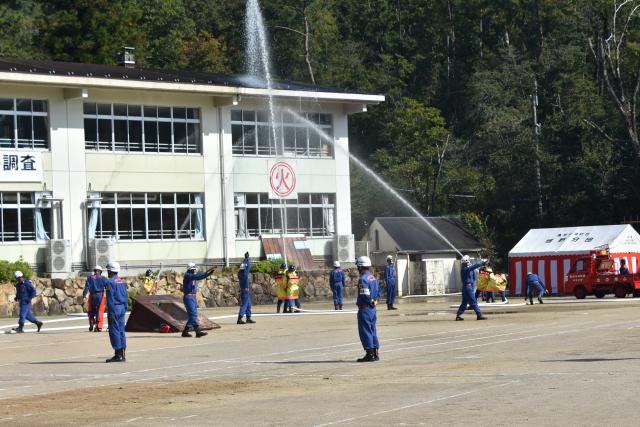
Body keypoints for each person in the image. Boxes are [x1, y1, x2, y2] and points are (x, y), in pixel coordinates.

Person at [355, 256, 380, 362]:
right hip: (372, 309)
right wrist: (374, 301)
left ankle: (369, 354)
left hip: (365, 308)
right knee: (372, 330)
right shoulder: (373, 278)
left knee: (365, 331)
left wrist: (369, 301)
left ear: (360, 267)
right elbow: (378, 293)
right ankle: (375, 353)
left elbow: (365, 294)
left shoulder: (362, 279)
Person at [182, 261, 215, 337]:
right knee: (193, 314)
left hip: (192, 297)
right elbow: (197, 276)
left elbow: (198, 276)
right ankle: (197, 331)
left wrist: (207, 274)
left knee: (193, 315)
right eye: (194, 269)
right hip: (188, 297)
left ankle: (185, 332)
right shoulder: (188, 275)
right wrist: (206, 274)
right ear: (190, 269)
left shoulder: (192, 275)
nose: (194, 270)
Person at [105, 262, 128, 362]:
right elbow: (126, 295)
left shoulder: (109, 282)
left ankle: (118, 355)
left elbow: (110, 298)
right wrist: (125, 307)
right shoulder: (122, 281)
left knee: (114, 331)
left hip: (114, 308)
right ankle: (122, 354)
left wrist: (110, 311)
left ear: (110, 271)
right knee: (121, 330)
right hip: (122, 307)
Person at [456, 255, 488, 321]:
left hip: (468, 287)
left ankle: (458, 315)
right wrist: (481, 263)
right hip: (467, 287)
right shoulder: (465, 269)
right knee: (473, 301)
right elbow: (473, 267)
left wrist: (482, 267)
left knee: (464, 302)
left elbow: (473, 275)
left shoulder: (467, 268)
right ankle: (479, 315)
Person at [83, 265, 107, 332]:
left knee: (91, 310)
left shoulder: (90, 278)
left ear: (94, 271)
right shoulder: (103, 278)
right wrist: (108, 292)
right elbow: (107, 286)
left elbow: (86, 287)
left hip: (92, 295)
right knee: (99, 311)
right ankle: (98, 326)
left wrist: (84, 295)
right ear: (100, 271)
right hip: (100, 295)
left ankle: (91, 321)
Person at [237, 253, 255, 325]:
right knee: (244, 304)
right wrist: (247, 260)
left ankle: (248, 318)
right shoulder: (244, 275)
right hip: (245, 291)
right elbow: (247, 268)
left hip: (244, 290)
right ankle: (240, 318)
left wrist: (245, 260)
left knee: (248, 304)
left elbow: (245, 267)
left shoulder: (240, 274)